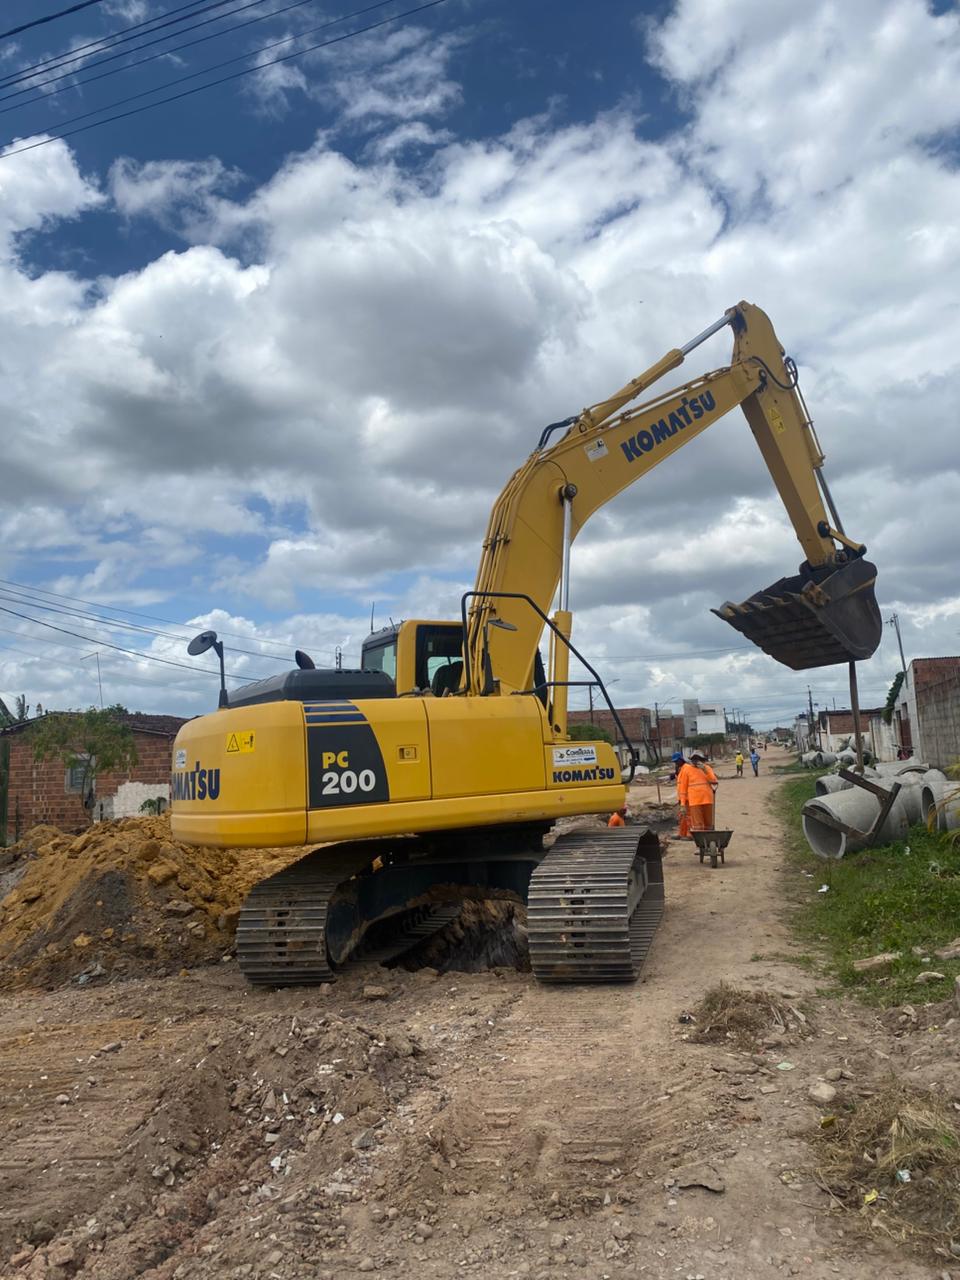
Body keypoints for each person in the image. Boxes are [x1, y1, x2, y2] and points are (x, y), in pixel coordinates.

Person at [677, 751, 719, 833]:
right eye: (694, 759)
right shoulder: (687, 770)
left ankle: (709, 840)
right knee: (697, 824)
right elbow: (683, 788)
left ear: (702, 760)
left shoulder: (707, 768)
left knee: (708, 823)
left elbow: (714, 781)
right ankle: (700, 842)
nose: (696, 761)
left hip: (707, 799)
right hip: (695, 802)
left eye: (698, 759)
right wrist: (682, 804)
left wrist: (705, 769)